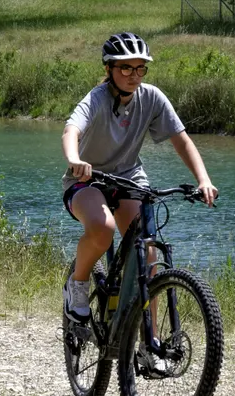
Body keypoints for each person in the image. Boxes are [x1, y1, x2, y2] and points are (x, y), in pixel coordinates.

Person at [62, 32, 218, 320]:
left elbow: (181, 140)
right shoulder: (96, 99)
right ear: (109, 69)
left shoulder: (152, 97)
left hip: (129, 178)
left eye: (140, 68)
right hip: (87, 180)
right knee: (103, 228)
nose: (134, 75)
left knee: (147, 253)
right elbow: (71, 130)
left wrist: (203, 180)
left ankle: (150, 338)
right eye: (125, 68)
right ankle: (77, 284)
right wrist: (75, 159)